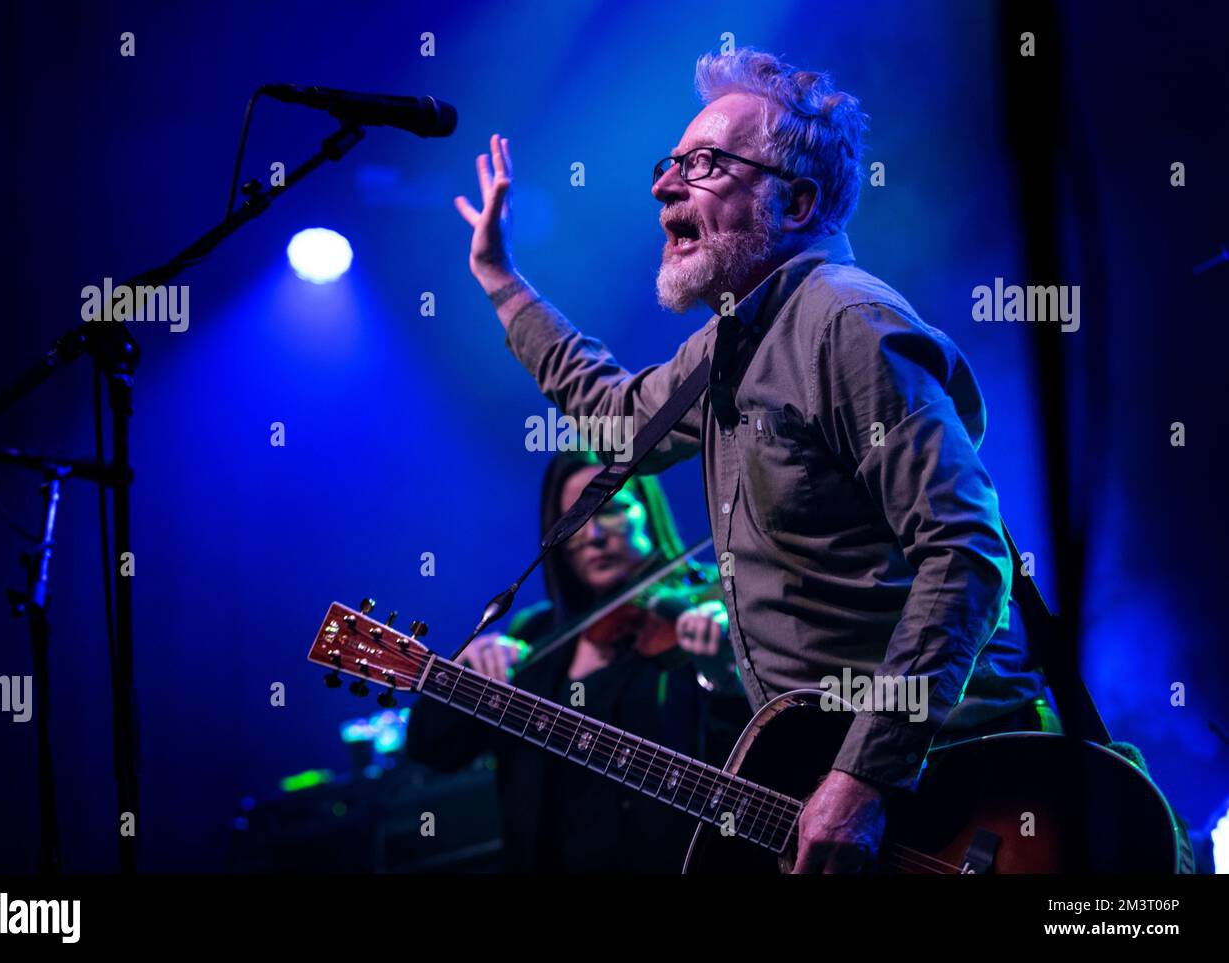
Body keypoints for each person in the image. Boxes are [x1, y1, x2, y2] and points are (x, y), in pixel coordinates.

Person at [452, 47, 1052, 873]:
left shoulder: (846, 323)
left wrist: (865, 772)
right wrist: (501, 281)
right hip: (850, 788)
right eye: (670, 165)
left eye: (703, 165)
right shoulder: (730, 345)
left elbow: (966, 551)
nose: (665, 186)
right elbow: (617, 417)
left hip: (957, 806)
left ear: (797, 200)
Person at [405, 450, 751, 872]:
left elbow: (752, 763)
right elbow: (431, 749)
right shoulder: (534, 638)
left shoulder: (711, 605)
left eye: (611, 509)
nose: (592, 535)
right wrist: (463, 674)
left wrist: (723, 677)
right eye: (574, 518)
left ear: (648, 510)